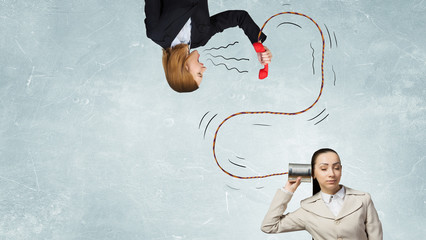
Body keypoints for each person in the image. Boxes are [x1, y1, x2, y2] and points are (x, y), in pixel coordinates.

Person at [144, 0, 272, 92]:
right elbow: (239, 17)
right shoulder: (202, 38)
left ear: (186, 69)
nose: (204, 69)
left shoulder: (156, 32)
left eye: (199, 73)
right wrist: (258, 43)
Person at [261, 148, 383, 240]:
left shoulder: (363, 200)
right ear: (313, 173)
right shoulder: (307, 209)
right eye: (324, 169)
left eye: (336, 168)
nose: (331, 173)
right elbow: (269, 226)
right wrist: (287, 191)